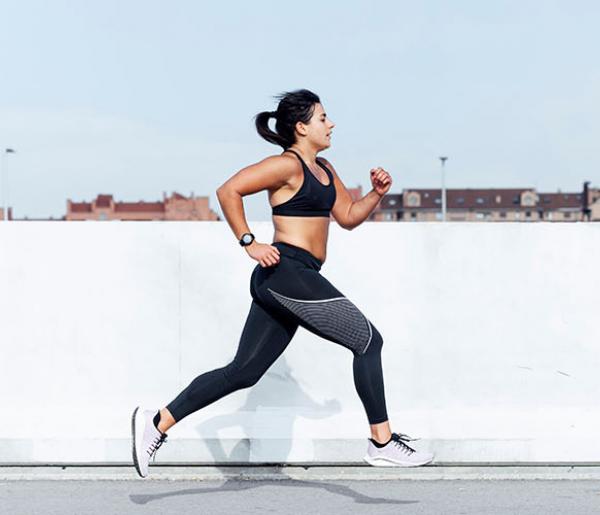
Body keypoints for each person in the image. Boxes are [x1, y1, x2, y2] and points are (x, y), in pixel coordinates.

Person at [132, 89, 434, 477]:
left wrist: (375, 194)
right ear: (302, 127)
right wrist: (249, 242)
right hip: (285, 271)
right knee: (367, 340)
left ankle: (156, 423)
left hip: (295, 276)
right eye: (324, 118)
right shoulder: (287, 166)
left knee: (243, 372)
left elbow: (347, 216)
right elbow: (228, 191)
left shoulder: (325, 169)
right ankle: (382, 442)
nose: (331, 124)